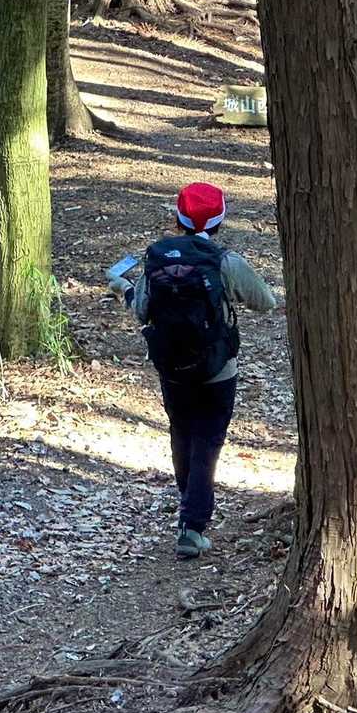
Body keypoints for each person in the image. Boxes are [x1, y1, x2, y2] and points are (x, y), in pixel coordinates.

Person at [110, 182, 278, 560]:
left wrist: (123, 287)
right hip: (218, 369)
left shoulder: (157, 259)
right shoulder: (225, 261)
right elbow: (266, 302)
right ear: (220, 221)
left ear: (178, 218)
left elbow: (141, 310)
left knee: (182, 433)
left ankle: (189, 504)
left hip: (171, 367)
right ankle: (192, 526)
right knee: (208, 441)